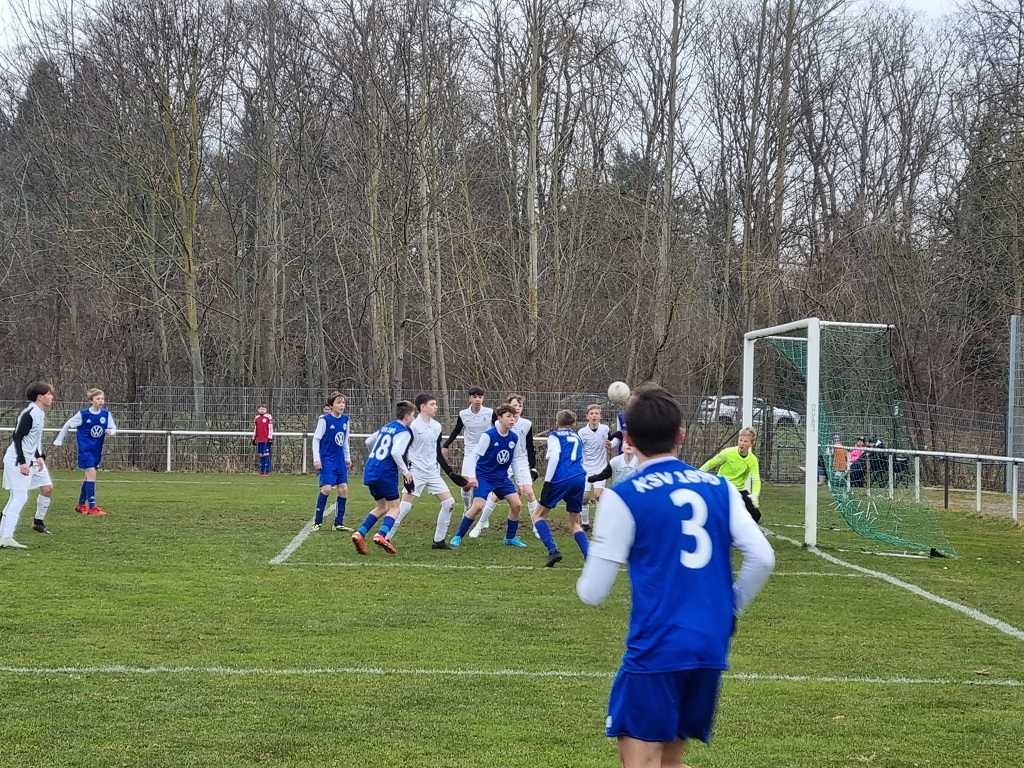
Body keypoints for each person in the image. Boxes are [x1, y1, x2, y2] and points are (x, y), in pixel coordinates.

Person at [576, 383, 775, 768]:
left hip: (658, 644)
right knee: (669, 761)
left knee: (642, 763)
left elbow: (593, 592)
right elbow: (762, 557)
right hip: (709, 645)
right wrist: (729, 607)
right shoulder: (719, 487)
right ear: (680, 436)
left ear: (628, 439)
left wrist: (598, 543)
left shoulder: (624, 496)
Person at [384, 393, 465, 549]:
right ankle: (385, 537)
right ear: (422, 407)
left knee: (449, 503)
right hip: (416, 472)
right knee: (404, 506)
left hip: (432, 472)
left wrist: (450, 473)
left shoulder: (436, 426)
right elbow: (403, 450)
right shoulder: (412, 426)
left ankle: (439, 541)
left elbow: (437, 452)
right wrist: (405, 471)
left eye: (436, 404)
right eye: (432, 404)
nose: (436, 407)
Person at [447, 404, 525, 548]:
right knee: (478, 506)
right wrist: (472, 476)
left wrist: (520, 482)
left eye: (514, 417)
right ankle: (458, 536)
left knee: (517, 505)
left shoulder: (514, 437)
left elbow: (514, 460)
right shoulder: (489, 435)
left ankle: (510, 538)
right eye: (508, 416)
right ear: (499, 418)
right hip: (484, 477)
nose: (512, 420)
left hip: (502, 478)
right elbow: (473, 456)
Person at [351, 401, 416, 555]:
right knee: (395, 508)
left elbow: (369, 441)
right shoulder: (404, 432)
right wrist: (405, 471)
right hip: (386, 472)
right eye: (413, 415)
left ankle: (360, 533)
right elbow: (395, 452)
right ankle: (381, 534)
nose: (414, 419)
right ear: (407, 416)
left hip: (371, 469)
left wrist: (377, 458)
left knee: (381, 507)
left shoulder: (387, 427)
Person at [470, 393, 538, 537]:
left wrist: (532, 466)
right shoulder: (499, 423)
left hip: (520, 461)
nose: (517, 408)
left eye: (520, 406)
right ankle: (480, 524)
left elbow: (529, 446)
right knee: (495, 495)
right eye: (514, 405)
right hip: (504, 462)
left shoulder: (526, 424)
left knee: (529, 493)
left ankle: (537, 527)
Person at [1, 382, 57, 547]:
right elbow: (17, 437)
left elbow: (33, 438)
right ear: (40, 397)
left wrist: (38, 456)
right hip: (18, 460)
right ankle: (6, 537)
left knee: (43, 488)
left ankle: (4, 535)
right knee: (19, 496)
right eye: (49, 394)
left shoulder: (40, 413)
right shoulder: (29, 413)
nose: (51, 397)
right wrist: (22, 462)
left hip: (31, 460)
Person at [532, 409, 589, 568]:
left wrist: (547, 482)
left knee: (538, 515)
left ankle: (553, 550)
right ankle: (589, 557)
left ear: (557, 423)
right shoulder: (577, 437)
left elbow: (555, 457)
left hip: (562, 478)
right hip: (579, 477)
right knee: (574, 522)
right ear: (574, 424)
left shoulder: (555, 436)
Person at [53, 387, 117, 517]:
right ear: (91, 401)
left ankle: (81, 504)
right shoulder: (83, 414)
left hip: (96, 450)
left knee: (89, 477)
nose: (101, 401)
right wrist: (58, 440)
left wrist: (111, 431)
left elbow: (113, 427)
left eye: (102, 398)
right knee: (92, 474)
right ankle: (92, 507)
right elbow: (67, 424)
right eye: (98, 399)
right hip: (85, 450)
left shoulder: (105, 414)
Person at [442, 386, 494, 515]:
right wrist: (446, 445)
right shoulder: (463, 414)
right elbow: (456, 430)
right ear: (469, 398)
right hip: (470, 453)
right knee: (466, 484)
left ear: (483, 398)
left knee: (484, 484)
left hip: (487, 453)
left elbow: (500, 427)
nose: (477, 400)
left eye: (480, 397)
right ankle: (467, 507)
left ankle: (484, 517)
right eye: (474, 397)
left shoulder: (490, 413)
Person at [700, 427, 763, 523]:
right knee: (718, 513)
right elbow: (712, 463)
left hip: (739, 489)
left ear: (751, 444)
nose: (742, 443)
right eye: (740, 440)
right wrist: (699, 472)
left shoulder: (752, 460)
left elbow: (756, 479)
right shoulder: (727, 453)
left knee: (756, 515)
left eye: (745, 441)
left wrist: (755, 495)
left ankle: (738, 528)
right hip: (723, 487)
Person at [311, 392, 352, 531]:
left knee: (343, 489)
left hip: (340, 459)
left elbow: (345, 440)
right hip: (327, 459)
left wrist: (347, 457)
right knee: (327, 488)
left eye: (343, 403)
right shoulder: (325, 420)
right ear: (331, 405)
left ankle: (338, 523)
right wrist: (317, 459)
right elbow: (316, 439)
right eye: (338, 402)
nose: (342, 405)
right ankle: (317, 521)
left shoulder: (345, 419)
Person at [577, 404, 611, 532]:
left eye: (597, 413)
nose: (594, 416)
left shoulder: (605, 429)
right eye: (591, 414)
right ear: (587, 416)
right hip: (586, 469)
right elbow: (579, 450)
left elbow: (612, 441)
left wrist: (611, 444)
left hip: (601, 467)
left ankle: (600, 523)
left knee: (598, 495)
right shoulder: (582, 432)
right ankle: (585, 523)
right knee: (584, 498)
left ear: (600, 416)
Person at [252, 404, 274, 475]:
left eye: (263, 409)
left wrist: (270, 438)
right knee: (261, 454)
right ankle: (261, 471)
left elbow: (270, 428)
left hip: (266, 439)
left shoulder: (268, 417)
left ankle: (267, 471)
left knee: (266, 454)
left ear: (266, 410)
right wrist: (254, 438)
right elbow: (255, 428)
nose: (262, 410)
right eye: (261, 409)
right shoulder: (257, 418)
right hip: (259, 439)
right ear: (258, 410)